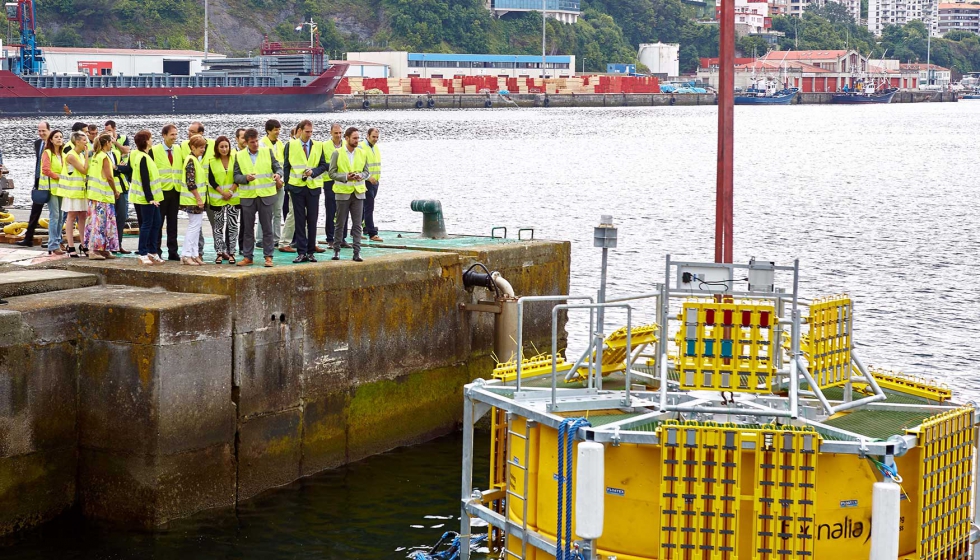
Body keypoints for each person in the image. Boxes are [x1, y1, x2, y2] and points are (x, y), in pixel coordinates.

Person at [234, 128, 283, 267]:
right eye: (252, 142)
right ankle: (248, 256)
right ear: (246, 142)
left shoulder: (267, 151)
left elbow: (277, 168)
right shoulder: (239, 155)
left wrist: (278, 175)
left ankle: (268, 257)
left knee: (267, 228)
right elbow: (236, 176)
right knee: (248, 229)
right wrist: (245, 178)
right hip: (248, 197)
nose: (255, 144)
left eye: (256, 141)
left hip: (266, 196)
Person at [283, 119, 328, 263]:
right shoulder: (290, 145)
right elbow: (286, 166)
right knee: (299, 220)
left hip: (313, 187)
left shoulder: (319, 146)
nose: (309, 134)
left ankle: (310, 251)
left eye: (311, 132)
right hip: (296, 188)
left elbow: (323, 165)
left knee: (312, 220)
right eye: (306, 132)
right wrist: (287, 186)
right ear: (300, 131)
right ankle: (301, 252)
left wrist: (313, 172)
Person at [328, 127, 371, 262]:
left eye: (358, 138)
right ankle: (336, 250)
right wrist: (346, 176)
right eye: (354, 138)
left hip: (358, 193)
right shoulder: (337, 153)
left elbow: (366, 172)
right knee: (340, 223)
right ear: (346, 138)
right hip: (342, 193)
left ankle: (357, 252)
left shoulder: (362, 153)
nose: (357, 141)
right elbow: (331, 173)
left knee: (357, 224)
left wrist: (360, 176)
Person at [129, 130, 165, 265]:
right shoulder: (143, 157)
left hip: (151, 197)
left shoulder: (144, 155)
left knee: (157, 223)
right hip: (145, 198)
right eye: (150, 138)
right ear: (146, 141)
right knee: (147, 224)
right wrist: (150, 198)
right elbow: (145, 179)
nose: (152, 140)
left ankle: (152, 251)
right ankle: (142, 252)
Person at [83, 134, 121, 260]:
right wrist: (115, 190)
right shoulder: (104, 157)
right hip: (103, 195)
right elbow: (109, 177)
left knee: (96, 222)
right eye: (111, 142)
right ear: (106, 143)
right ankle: (94, 250)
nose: (112, 144)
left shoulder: (95, 156)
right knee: (101, 224)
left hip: (94, 194)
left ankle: (103, 249)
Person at [151, 124, 184, 261]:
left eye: (176, 134)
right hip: (161, 192)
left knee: (173, 223)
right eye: (172, 135)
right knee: (158, 223)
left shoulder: (178, 149)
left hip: (175, 191)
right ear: (164, 135)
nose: (174, 137)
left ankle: (173, 251)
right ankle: (157, 250)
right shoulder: (154, 150)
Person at [15, 121, 50, 247]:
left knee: (54, 212)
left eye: (43, 131)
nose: (41, 133)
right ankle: (28, 238)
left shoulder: (54, 143)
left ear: (49, 130)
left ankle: (54, 240)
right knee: (35, 210)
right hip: (39, 181)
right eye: (39, 131)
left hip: (52, 181)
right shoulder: (38, 143)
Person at [208, 136, 240, 264]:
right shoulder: (211, 161)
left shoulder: (235, 158)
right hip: (218, 199)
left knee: (233, 226)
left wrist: (231, 191)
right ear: (217, 148)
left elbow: (238, 176)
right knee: (218, 227)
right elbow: (211, 179)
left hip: (233, 198)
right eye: (221, 147)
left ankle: (232, 252)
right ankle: (219, 252)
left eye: (226, 146)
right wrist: (222, 192)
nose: (224, 149)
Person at [179, 136, 209, 266]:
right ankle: (186, 255)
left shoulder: (194, 160)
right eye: (201, 147)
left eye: (204, 147)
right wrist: (198, 198)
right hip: (193, 200)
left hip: (194, 200)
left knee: (196, 228)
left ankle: (195, 254)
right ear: (193, 147)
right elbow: (190, 182)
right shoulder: (191, 160)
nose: (203, 149)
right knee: (193, 227)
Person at [256, 119, 285, 249]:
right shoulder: (261, 144)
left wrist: (280, 179)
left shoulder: (281, 144)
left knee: (277, 211)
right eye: (275, 130)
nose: (278, 132)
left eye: (279, 129)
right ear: (268, 130)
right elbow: (261, 166)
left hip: (280, 182)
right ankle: (260, 239)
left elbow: (283, 164)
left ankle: (276, 238)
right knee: (265, 212)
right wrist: (273, 180)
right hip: (266, 184)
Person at [61, 132, 89, 257]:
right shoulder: (71, 155)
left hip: (82, 191)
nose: (86, 143)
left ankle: (84, 244)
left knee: (83, 215)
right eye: (84, 140)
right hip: (72, 191)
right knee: (71, 216)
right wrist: (88, 155)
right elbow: (84, 169)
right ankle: (71, 245)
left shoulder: (80, 155)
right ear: (77, 141)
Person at [321, 123, 349, 248]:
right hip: (329, 181)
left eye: (340, 133)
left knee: (344, 211)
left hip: (344, 181)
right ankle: (330, 239)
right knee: (331, 210)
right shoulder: (324, 146)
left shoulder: (346, 146)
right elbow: (322, 163)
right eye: (336, 133)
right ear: (331, 133)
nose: (338, 136)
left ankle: (343, 238)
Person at [39, 129, 66, 255]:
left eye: (61, 137)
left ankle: (58, 241)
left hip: (61, 189)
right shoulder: (47, 153)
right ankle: (53, 244)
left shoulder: (63, 154)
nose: (59, 139)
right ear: (51, 139)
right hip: (51, 189)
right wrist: (59, 176)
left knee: (61, 217)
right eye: (56, 137)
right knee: (55, 216)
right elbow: (45, 170)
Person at [361, 127, 384, 243]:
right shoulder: (362, 147)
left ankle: (360, 229)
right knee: (369, 208)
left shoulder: (375, 148)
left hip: (375, 183)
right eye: (373, 137)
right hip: (366, 182)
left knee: (363, 208)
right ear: (367, 136)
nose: (375, 139)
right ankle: (372, 233)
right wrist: (368, 177)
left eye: (377, 137)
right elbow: (358, 166)